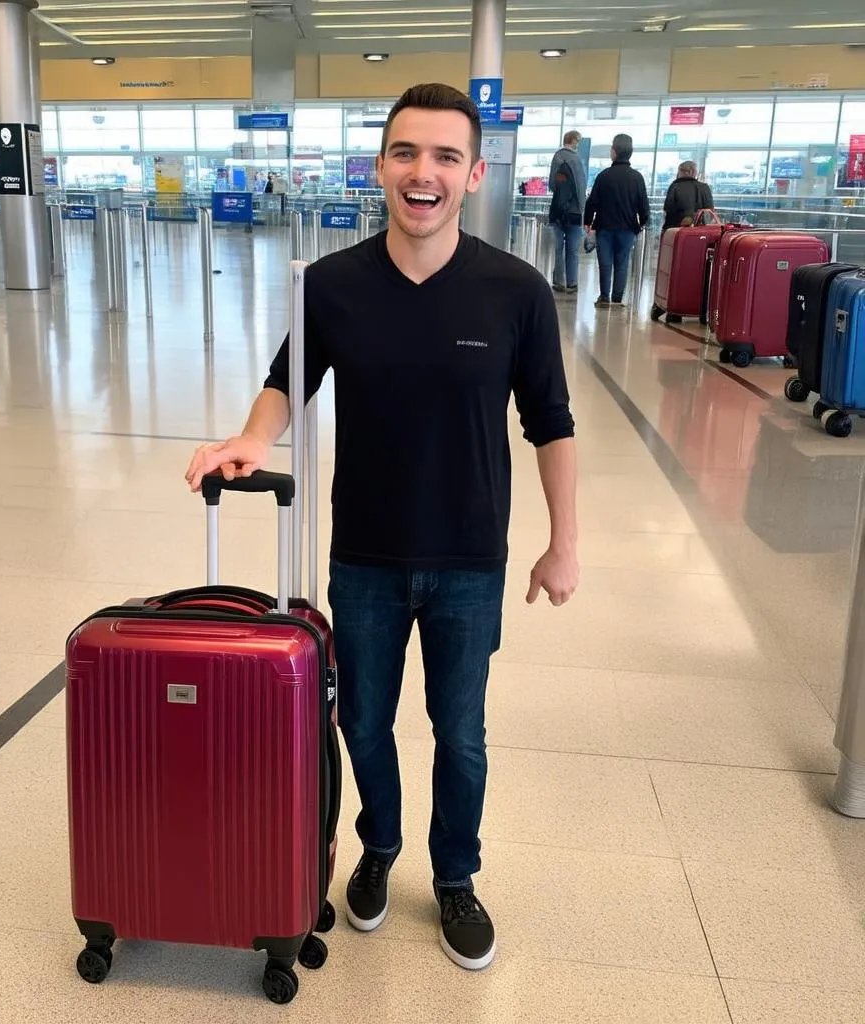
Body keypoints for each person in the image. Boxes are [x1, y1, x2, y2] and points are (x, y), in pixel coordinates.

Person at [185, 82, 579, 972]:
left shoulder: (514, 292)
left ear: (474, 175)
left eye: (445, 156)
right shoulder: (331, 287)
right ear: (381, 167)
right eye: (406, 153)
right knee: (360, 722)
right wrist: (249, 438)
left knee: (461, 732)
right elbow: (290, 381)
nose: (423, 173)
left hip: (471, 558)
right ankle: (381, 845)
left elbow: (550, 422)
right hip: (363, 554)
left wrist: (566, 541)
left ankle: (455, 875)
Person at [583, 133, 650, 308]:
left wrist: (588, 221)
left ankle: (604, 297)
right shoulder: (637, 178)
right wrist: (643, 221)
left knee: (605, 263)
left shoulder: (604, 176)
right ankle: (617, 298)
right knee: (622, 263)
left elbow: (593, 201)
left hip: (605, 226)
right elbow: (643, 203)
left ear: (614, 152)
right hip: (628, 227)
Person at [547, 130, 586, 295]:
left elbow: (552, 184)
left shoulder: (557, 157)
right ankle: (572, 282)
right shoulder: (577, 159)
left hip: (558, 211)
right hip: (575, 213)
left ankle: (558, 281)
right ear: (574, 141)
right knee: (573, 249)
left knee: (558, 247)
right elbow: (581, 187)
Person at [662, 160, 714, 231]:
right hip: (700, 232)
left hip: (678, 231)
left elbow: (668, 209)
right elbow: (710, 212)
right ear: (693, 172)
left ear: (689, 172)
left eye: (679, 172)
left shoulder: (675, 187)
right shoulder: (705, 187)